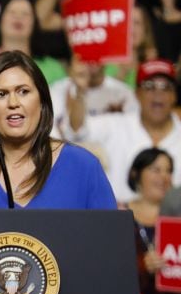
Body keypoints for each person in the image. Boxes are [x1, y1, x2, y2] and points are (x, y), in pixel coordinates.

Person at [0, 50, 116, 209]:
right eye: (1, 94)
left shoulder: (83, 167)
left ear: (42, 102)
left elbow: (109, 243)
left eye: (23, 91)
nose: (13, 103)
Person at [63, 58, 181, 201]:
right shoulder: (116, 124)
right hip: (117, 220)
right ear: (137, 93)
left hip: (173, 220)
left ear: (175, 95)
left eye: (165, 87)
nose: (158, 94)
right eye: (149, 86)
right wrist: (80, 92)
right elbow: (77, 130)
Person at [125, 148, 173, 294]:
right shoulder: (118, 215)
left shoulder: (176, 218)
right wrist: (142, 265)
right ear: (136, 174)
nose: (164, 177)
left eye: (168, 171)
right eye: (156, 169)